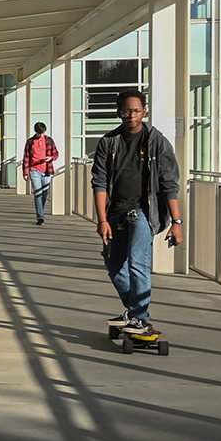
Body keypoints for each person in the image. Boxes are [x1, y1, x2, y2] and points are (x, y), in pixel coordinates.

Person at [90, 89, 183, 336]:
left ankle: (139, 317)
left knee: (137, 262)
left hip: (144, 211)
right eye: (126, 111)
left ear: (145, 111)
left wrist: (177, 221)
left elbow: (169, 183)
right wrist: (101, 219)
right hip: (114, 213)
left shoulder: (157, 142)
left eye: (136, 110)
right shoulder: (108, 142)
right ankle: (135, 312)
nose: (131, 115)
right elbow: (99, 182)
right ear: (118, 112)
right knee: (114, 265)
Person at [22, 122, 58, 224]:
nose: (41, 135)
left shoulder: (49, 140)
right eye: (39, 134)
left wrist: (51, 158)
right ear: (36, 132)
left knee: (45, 194)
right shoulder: (30, 142)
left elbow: (56, 153)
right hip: (34, 170)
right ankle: (40, 217)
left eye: (43, 133)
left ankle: (40, 211)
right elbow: (26, 157)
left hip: (47, 170)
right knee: (37, 193)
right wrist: (25, 172)